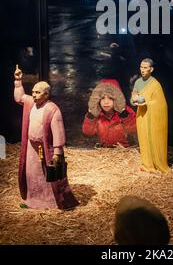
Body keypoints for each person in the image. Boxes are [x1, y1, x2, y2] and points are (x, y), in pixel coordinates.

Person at [13, 65, 79, 210]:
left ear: (46, 94)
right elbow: (19, 98)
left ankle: (50, 202)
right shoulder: (31, 103)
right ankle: (32, 200)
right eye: (33, 92)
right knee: (32, 175)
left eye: (38, 93)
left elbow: (58, 133)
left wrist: (57, 153)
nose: (35, 95)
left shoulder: (52, 109)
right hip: (32, 148)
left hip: (46, 148)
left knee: (47, 176)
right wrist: (18, 81)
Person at [131, 59, 169, 173]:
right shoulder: (138, 82)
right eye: (141, 67)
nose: (142, 70)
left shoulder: (155, 84)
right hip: (142, 115)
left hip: (153, 117)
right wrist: (134, 100)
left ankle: (158, 164)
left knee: (154, 138)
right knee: (144, 138)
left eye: (145, 68)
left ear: (151, 69)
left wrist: (146, 103)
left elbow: (161, 103)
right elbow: (133, 96)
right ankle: (147, 164)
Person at [82, 79, 137, 147]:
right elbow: (88, 133)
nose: (106, 102)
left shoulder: (126, 111)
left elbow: (134, 130)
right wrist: (91, 116)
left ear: (117, 98)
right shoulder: (97, 113)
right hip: (105, 152)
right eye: (102, 98)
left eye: (110, 98)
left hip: (125, 151)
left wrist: (124, 114)